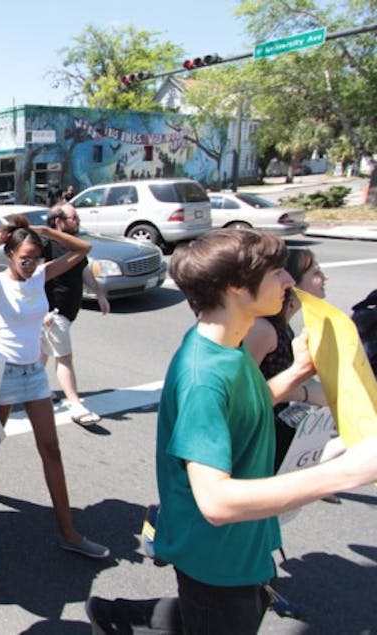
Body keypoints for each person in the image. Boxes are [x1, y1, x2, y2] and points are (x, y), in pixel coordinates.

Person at [86, 229, 377, 634]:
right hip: (216, 558)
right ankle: (116, 615)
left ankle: (115, 614)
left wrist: (296, 373)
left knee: (213, 615)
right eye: (278, 272)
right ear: (236, 288)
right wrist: (353, 469)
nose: (289, 281)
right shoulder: (203, 375)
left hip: (242, 546)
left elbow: (245, 410)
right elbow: (217, 501)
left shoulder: (231, 345)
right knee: (218, 617)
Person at [0, 215, 109, 559]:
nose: (31, 265)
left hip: (33, 374)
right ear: (10, 255)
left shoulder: (41, 274)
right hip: (1, 371)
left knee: (51, 449)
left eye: (35, 257)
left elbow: (84, 249)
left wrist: (45, 231)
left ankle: (68, 531)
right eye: (24, 258)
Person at [244, 248, 328, 472]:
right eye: (315, 273)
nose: (324, 278)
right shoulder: (262, 329)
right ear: (292, 282)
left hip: (273, 429)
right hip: (253, 441)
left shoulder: (282, 323)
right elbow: (242, 399)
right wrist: (305, 392)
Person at [40, 204, 110, 426]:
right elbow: (31, 279)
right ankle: (75, 405)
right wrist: (42, 311)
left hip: (66, 312)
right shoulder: (46, 245)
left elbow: (84, 271)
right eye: (73, 217)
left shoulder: (75, 246)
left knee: (42, 354)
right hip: (53, 312)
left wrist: (99, 294)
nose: (77, 220)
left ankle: (37, 390)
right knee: (64, 359)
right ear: (59, 222)